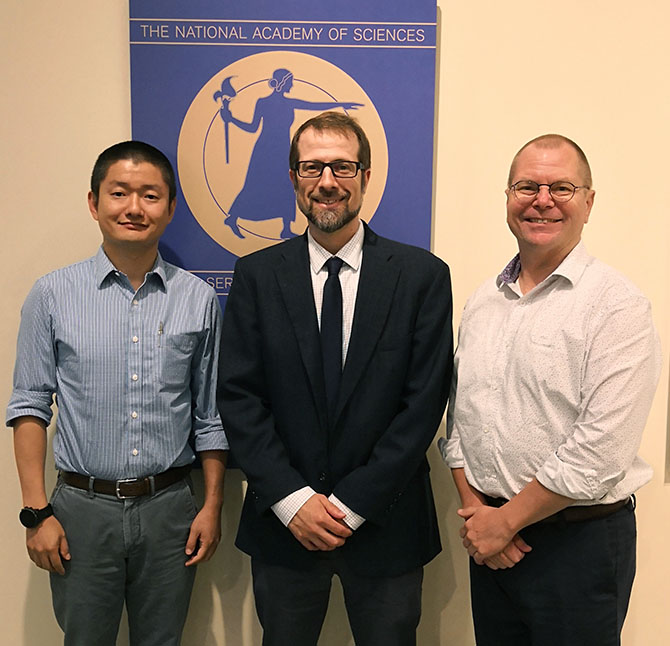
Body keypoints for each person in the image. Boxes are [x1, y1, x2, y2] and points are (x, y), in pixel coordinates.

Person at [218, 111, 452, 646]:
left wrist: (352, 506)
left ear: (366, 177)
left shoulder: (422, 277)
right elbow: (239, 397)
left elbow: (422, 405)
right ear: (295, 179)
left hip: (386, 521)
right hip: (285, 525)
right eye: (312, 168)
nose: (327, 182)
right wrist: (292, 500)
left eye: (343, 167)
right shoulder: (257, 275)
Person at [440, 134, 662, 646]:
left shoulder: (617, 307)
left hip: (578, 545)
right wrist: (480, 517)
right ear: (507, 197)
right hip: (490, 540)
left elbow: (600, 452)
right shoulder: (483, 302)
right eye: (527, 186)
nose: (542, 200)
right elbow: (460, 423)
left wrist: (504, 522)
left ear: (589, 202)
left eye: (561, 187)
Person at [7, 141, 228, 646]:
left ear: (170, 208)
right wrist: (37, 512)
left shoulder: (197, 299)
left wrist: (211, 505)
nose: (134, 207)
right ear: (94, 202)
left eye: (150, 195)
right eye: (119, 193)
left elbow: (210, 416)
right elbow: (29, 406)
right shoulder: (52, 295)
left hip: (171, 509)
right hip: (81, 511)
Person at [216, 69, 362, 240]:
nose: (292, 85)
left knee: (286, 187)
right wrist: (231, 119)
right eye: (290, 81)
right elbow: (253, 127)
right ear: (282, 82)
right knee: (254, 184)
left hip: (283, 149)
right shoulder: (263, 102)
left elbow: (313, 105)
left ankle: (285, 227)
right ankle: (233, 218)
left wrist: (340, 105)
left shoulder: (289, 102)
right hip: (264, 150)